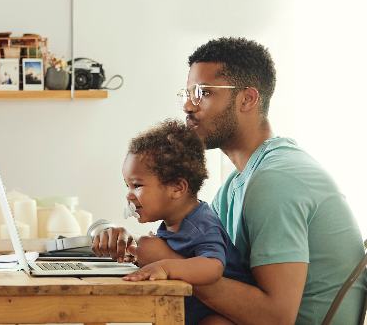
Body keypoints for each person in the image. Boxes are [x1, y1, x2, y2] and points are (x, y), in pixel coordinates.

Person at [93, 37, 366, 324]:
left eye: (203, 93)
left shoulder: (276, 180)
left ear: (247, 99)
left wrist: (170, 262)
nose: (188, 105)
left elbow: (275, 317)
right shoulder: (237, 183)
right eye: (187, 93)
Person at [119, 119, 253, 325]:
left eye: (136, 185)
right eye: (127, 185)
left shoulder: (201, 224)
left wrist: (165, 267)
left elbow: (213, 266)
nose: (129, 195)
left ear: (177, 188)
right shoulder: (172, 223)